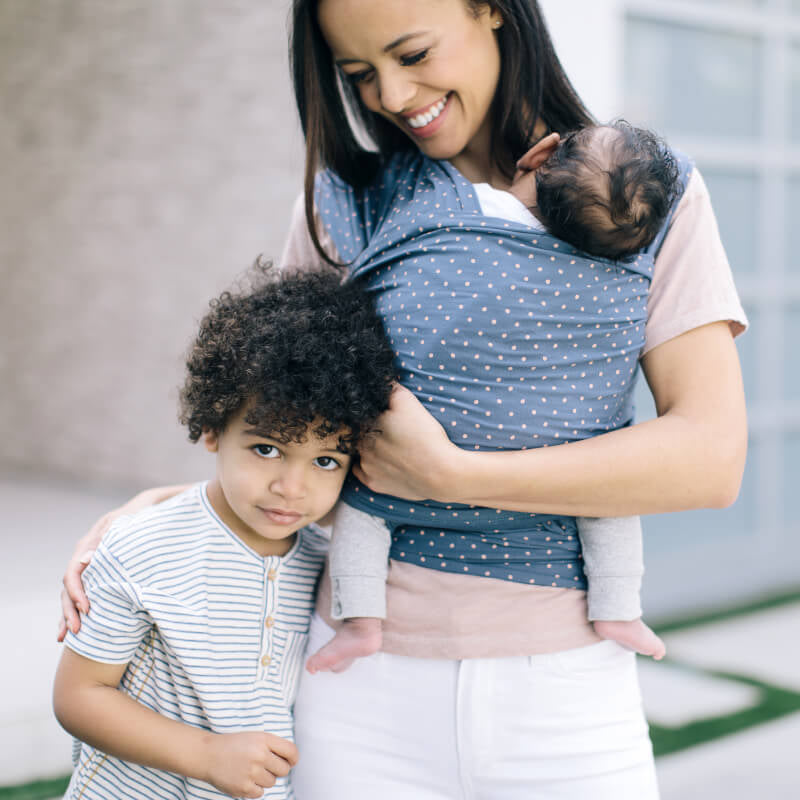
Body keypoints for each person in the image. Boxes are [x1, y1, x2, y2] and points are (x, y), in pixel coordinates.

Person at [59, 1, 749, 797]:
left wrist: (456, 476)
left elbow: (710, 459)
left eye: (412, 53)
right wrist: (171, 507)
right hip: (356, 689)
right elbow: (293, 434)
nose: (390, 96)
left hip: (568, 687)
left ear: (492, 10)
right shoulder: (344, 203)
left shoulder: (643, 194)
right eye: (358, 74)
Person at [306, 119, 681, 674]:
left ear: (539, 156)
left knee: (363, 514)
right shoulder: (620, 265)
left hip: (411, 458)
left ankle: (360, 621)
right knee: (609, 506)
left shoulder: (463, 209)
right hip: (560, 465)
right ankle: (618, 609)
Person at [52, 267, 396, 800]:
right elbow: (78, 697)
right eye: (267, 449)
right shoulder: (144, 545)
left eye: (325, 460)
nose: (291, 487)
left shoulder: (324, 561)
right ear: (213, 427)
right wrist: (206, 756)